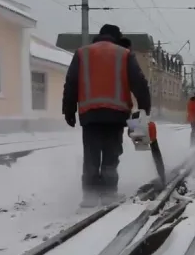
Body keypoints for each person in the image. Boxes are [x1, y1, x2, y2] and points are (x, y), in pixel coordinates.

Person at [63, 24, 151, 207]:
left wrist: (69, 109)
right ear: (116, 37)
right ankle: (109, 193)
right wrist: (144, 108)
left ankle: (90, 195)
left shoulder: (82, 53)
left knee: (91, 154)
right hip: (115, 114)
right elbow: (139, 83)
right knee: (111, 154)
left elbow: (71, 82)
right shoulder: (124, 54)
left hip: (89, 113)